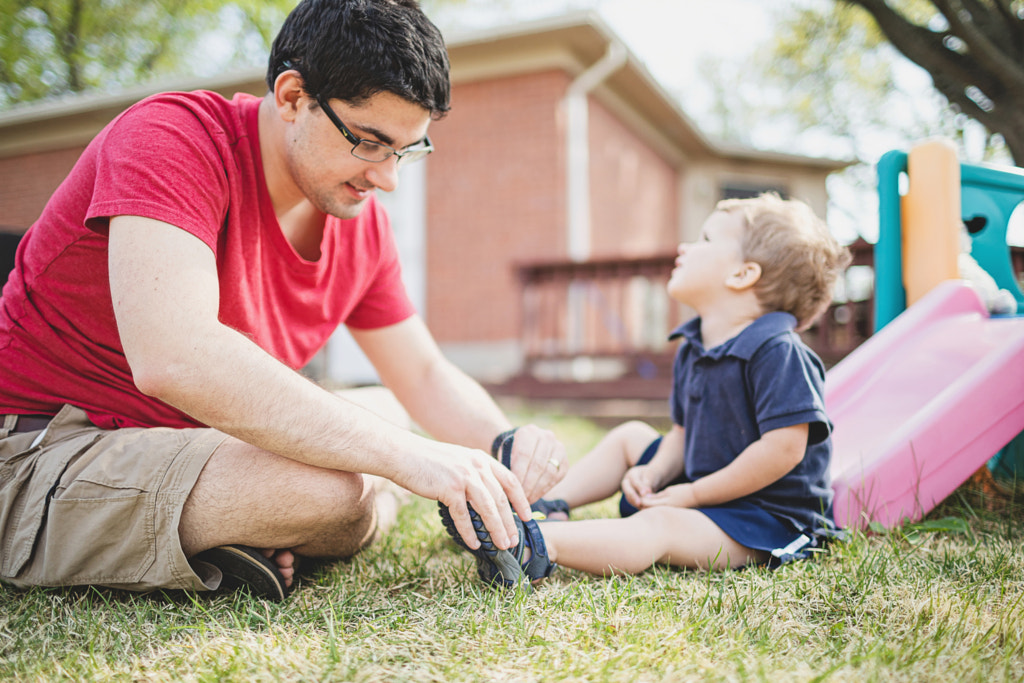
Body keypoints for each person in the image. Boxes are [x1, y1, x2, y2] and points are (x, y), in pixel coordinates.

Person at [0, 0, 567, 602]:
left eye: (408, 150)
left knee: (385, 417)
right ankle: (257, 528)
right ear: (293, 96)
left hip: (193, 443)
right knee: (336, 493)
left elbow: (422, 373)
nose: (388, 179)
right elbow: (176, 355)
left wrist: (504, 446)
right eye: (372, 142)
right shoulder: (172, 139)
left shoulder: (355, 220)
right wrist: (410, 462)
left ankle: (240, 534)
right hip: (43, 448)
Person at [440, 193, 851, 587]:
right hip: (702, 483)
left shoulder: (778, 352)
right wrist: (655, 472)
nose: (685, 247)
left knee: (659, 526)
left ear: (743, 274)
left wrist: (690, 494)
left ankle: (530, 544)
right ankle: (540, 507)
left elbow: (783, 451)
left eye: (705, 240)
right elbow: (682, 434)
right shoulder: (695, 346)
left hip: (764, 516)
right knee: (630, 437)